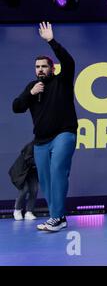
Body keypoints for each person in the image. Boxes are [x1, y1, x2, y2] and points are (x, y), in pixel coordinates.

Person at [12, 22, 78, 232]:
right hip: (40, 141)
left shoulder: (62, 81)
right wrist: (29, 94)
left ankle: (57, 219)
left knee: (58, 170)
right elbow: (16, 107)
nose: (40, 69)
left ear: (52, 68)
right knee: (46, 181)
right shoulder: (32, 87)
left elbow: (69, 62)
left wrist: (51, 41)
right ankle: (57, 217)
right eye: (37, 67)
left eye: (44, 66)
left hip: (64, 134)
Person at [9, 141, 38, 221]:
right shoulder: (31, 146)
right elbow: (28, 160)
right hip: (20, 172)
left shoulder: (46, 146)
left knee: (34, 190)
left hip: (32, 172)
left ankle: (29, 212)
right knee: (24, 189)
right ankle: (17, 210)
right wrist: (41, 161)